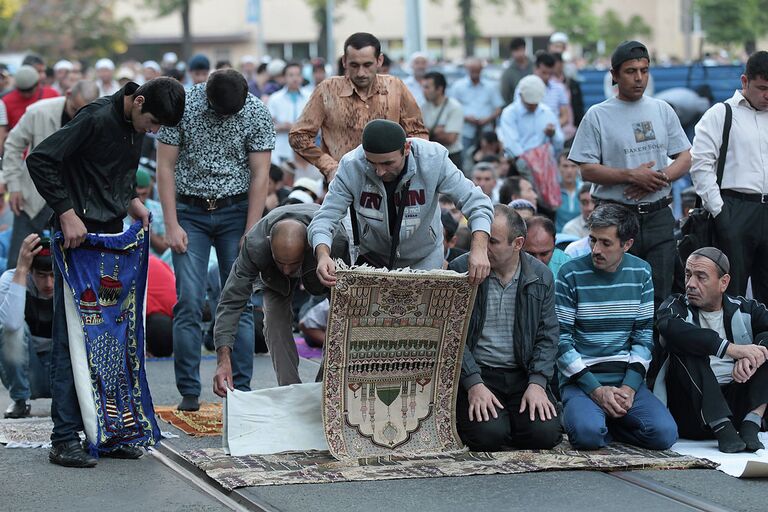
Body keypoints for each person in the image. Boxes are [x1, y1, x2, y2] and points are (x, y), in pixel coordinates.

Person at [27, 77, 185, 468]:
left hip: (112, 239)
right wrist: (66, 213)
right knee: (72, 342)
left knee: (112, 339)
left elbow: (113, 174)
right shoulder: (95, 118)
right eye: (151, 122)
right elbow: (40, 159)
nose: (153, 131)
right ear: (138, 101)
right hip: (77, 242)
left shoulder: (135, 125)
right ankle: (64, 437)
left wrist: (133, 203)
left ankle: (106, 430)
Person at [156, 69, 274, 412]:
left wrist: (251, 229)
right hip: (189, 209)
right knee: (189, 301)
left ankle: (243, 390)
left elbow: (260, 173)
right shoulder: (183, 105)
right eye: (219, 112)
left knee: (237, 300)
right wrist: (172, 224)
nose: (224, 119)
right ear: (206, 96)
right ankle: (189, 391)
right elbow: (165, 167)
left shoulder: (255, 112)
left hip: (235, 209)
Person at [568, 40, 691, 313]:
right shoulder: (597, 115)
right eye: (631, 71)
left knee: (661, 296)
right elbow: (586, 169)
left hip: (659, 214)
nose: (639, 78)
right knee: (617, 294)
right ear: (614, 74)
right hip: (615, 217)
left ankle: (656, 355)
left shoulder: (662, 109)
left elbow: (685, 157)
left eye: (644, 70)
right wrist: (631, 176)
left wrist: (659, 177)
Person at [309, 119, 493, 286]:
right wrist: (323, 254)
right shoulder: (350, 166)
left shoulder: (434, 159)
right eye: (372, 163)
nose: (380, 172)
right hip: (372, 259)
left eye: (388, 163)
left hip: (424, 257)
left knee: (422, 320)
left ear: (406, 148)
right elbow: (324, 219)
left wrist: (479, 249)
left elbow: (476, 202)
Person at [555, 203, 678, 450]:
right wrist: (596, 391)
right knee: (587, 435)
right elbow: (561, 341)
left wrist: (629, 388)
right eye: (593, 240)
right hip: (582, 379)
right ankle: (593, 415)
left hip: (624, 377)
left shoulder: (641, 271)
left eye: (606, 243)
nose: (596, 250)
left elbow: (643, 337)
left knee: (664, 435)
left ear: (627, 244)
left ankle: (609, 422)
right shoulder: (570, 273)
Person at [449, 204, 561, 450]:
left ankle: (513, 421)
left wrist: (538, 383)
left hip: (522, 373)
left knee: (545, 434)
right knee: (489, 436)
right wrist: (473, 384)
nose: (483, 248)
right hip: (480, 372)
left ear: (518, 244)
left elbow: (548, 335)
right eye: (482, 239)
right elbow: (452, 335)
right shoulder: (461, 268)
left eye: (493, 242)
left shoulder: (540, 276)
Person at [212, 203, 348, 393]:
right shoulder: (255, 245)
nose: (286, 270)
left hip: (322, 261)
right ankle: (290, 391)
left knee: (340, 324)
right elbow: (230, 302)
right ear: (269, 245)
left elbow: (348, 311)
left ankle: (324, 390)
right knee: (274, 322)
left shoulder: (337, 242)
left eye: (292, 264)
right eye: (281, 262)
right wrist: (223, 360)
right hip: (272, 276)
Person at [655, 247, 768, 453]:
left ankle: (751, 424)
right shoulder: (676, 305)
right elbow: (667, 327)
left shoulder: (745, 308)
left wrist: (754, 355)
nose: (690, 284)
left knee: (764, 349)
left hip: (737, 405)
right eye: (688, 274)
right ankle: (722, 427)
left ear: (723, 282)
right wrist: (731, 349)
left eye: (701, 277)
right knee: (685, 345)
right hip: (692, 413)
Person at [289, 32, 427, 182]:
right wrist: (329, 167)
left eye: (367, 65)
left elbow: (418, 133)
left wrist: (403, 166)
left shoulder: (395, 87)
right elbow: (298, 136)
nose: (361, 73)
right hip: (344, 182)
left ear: (379, 61)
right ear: (344, 62)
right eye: (354, 65)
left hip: (392, 183)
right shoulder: (327, 90)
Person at [690, 51, 768, 305]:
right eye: (762, 88)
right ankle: (733, 344)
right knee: (731, 292)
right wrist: (720, 212)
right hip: (734, 207)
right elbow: (701, 166)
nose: (767, 95)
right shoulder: (721, 114)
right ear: (744, 81)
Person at [4, 81, 100, 268]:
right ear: (68, 93)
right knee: (18, 261)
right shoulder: (38, 111)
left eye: (85, 111)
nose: (78, 115)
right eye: (75, 108)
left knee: (70, 263)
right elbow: (13, 146)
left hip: (74, 200)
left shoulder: (99, 118)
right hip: (32, 196)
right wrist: (14, 186)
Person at [0, 234, 53, 418]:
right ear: (31, 270)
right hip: (28, 370)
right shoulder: (11, 278)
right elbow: (11, 325)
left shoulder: (70, 280)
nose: (48, 284)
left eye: (53, 275)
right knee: (8, 327)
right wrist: (22, 269)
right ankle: (20, 400)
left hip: (61, 370)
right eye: (41, 275)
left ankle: (73, 400)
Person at [498, 75, 563, 176]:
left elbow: (559, 141)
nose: (533, 106)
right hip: (519, 167)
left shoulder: (547, 112)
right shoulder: (510, 113)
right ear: (520, 96)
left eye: (535, 103)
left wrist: (553, 134)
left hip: (545, 166)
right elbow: (512, 145)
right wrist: (527, 163)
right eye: (529, 103)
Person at [450, 57, 504, 159]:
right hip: (466, 129)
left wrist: (487, 119)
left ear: (481, 69)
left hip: (486, 130)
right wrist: (466, 117)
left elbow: (498, 108)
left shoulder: (490, 86)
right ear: (467, 69)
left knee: (487, 158)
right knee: (465, 158)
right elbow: (451, 107)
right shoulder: (458, 86)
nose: (474, 72)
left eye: (477, 70)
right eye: (472, 70)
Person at [268, 62, 311, 165]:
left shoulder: (310, 96)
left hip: (305, 151)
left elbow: (315, 124)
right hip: (282, 150)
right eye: (291, 75)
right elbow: (267, 126)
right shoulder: (275, 98)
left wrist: (298, 127)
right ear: (284, 77)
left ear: (302, 77)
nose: (294, 78)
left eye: (298, 75)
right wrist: (281, 126)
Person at [514, 52, 569, 130]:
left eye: (550, 74)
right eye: (544, 73)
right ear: (535, 69)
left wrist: (552, 127)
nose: (547, 77)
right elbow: (518, 112)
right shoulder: (523, 87)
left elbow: (565, 117)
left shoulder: (559, 88)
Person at [421, 71, 464, 170]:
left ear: (439, 89)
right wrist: (436, 130)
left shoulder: (454, 107)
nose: (424, 91)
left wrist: (427, 131)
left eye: (427, 87)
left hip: (451, 157)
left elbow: (450, 139)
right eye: (423, 87)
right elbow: (419, 134)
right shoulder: (424, 107)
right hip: (431, 157)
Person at [2, 65, 59, 131]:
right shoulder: (6, 101)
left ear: (37, 84)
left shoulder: (52, 94)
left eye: (29, 90)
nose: (26, 94)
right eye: (22, 91)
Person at [500, 37, 533, 106]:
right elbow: (505, 94)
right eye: (516, 50)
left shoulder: (534, 66)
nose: (519, 53)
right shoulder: (508, 72)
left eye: (521, 50)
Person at [555, 153, 581, 232]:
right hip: (559, 238)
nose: (569, 171)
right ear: (558, 167)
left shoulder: (584, 189)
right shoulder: (552, 191)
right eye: (565, 166)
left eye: (573, 166)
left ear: (578, 168)